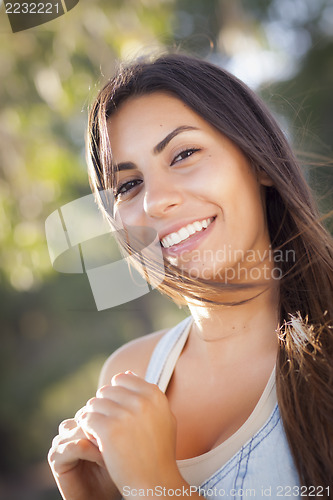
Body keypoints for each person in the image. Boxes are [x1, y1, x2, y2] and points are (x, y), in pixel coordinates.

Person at [48, 53, 333, 499]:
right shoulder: (129, 375)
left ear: (258, 160)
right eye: (128, 185)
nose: (156, 202)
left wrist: (156, 485)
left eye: (184, 154)